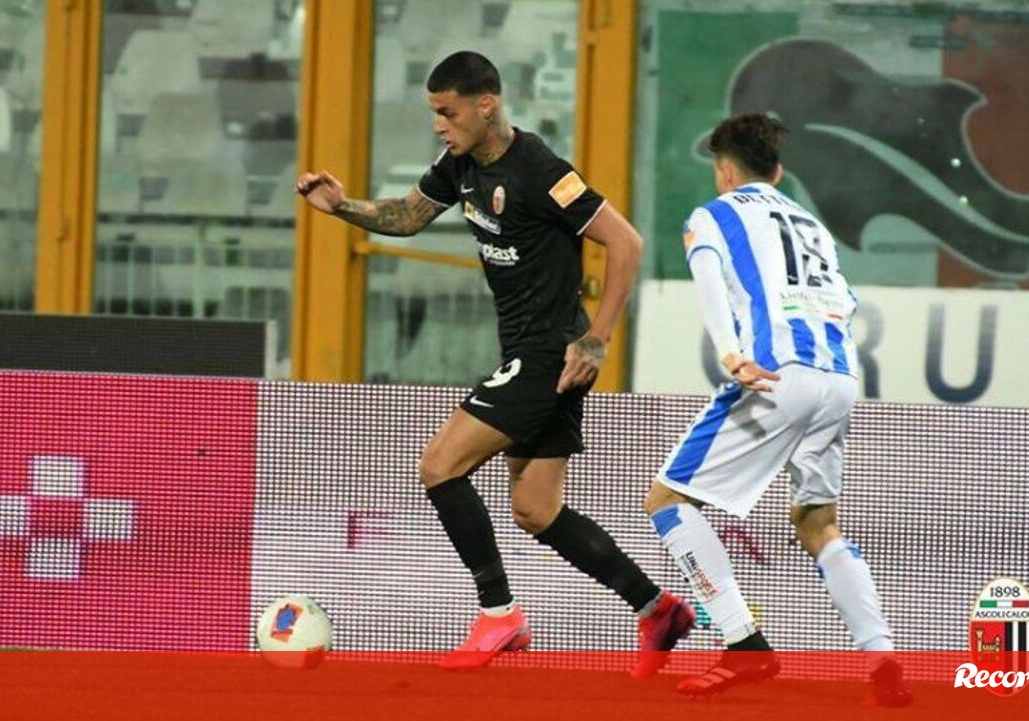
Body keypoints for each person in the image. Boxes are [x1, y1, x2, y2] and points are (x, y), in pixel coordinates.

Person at [297, 51, 693, 673]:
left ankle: (498, 613)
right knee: (536, 508)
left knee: (439, 465)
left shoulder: (541, 170)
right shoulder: (459, 165)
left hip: (548, 353)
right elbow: (408, 216)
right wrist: (343, 207)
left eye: (448, 112)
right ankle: (655, 607)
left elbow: (626, 242)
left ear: (486, 105)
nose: (439, 125)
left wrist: (597, 338)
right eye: (434, 113)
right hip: (532, 353)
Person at [643, 113, 912, 705]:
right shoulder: (812, 225)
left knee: (668, 501)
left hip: (775, 376)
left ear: (724, 170)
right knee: (818, 521)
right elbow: (843, 301)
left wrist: (730, 352)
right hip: (839, 378)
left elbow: (709, 281)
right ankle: (883, 656)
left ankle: (744, 644)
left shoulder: (714, 214)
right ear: (779, 171)